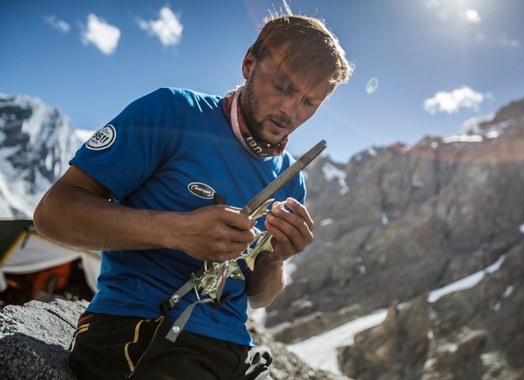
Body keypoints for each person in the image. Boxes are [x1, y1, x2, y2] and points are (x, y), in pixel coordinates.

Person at [33, 11, 352, 380]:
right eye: (281, 85)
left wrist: (276, 259)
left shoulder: (290, 178)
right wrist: (176, 230)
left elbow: (259, 297)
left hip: (234, 350)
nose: (290, 110)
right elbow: (52, 214)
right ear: (249, 63)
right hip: (140, 328)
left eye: (310, 101)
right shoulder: (172, 112)